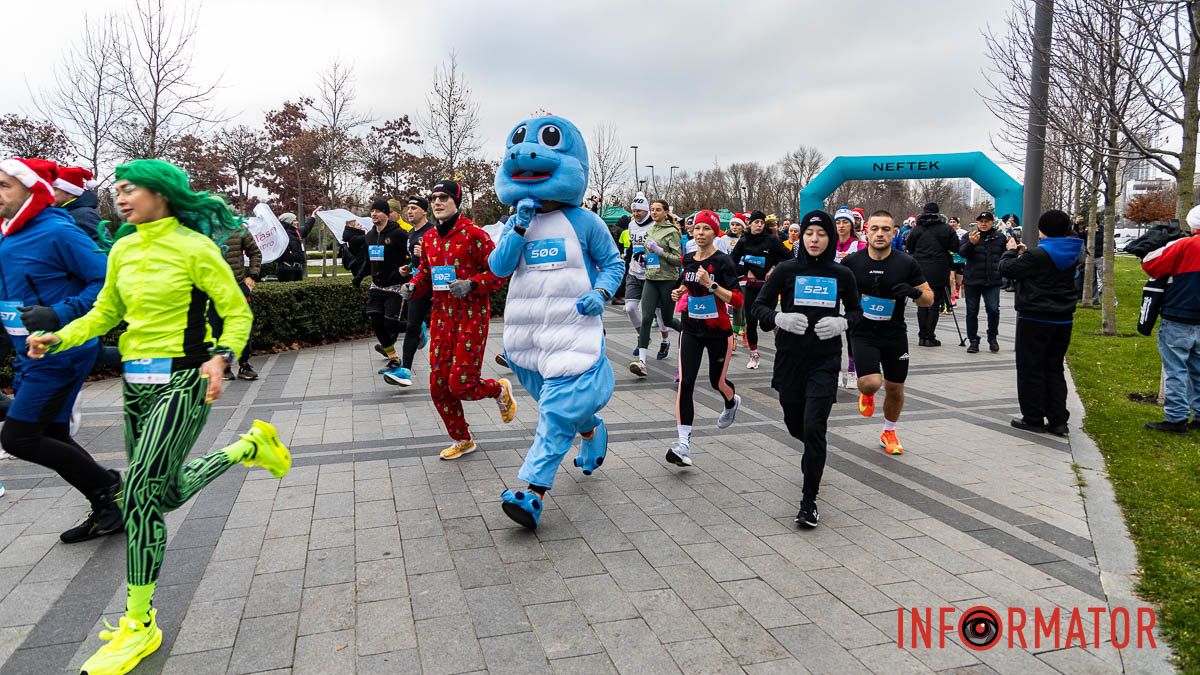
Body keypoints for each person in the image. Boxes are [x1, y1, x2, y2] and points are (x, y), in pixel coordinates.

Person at [26, 159, 292, 675]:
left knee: (142, 499)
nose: (121, 198)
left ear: (162, 193)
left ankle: (139, 624)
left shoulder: (195, 249)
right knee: (163, 493)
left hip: (184, 381)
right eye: (118, 190)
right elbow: (106, 312)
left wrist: (221, 356)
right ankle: (247, 448)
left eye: (132, 189)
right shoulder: (123, 248)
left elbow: (237, 311)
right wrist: (62, 336)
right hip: (135, 386)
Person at [487, 115, 625, 528]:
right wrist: (518, 227)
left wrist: (600, 293)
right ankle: (591, 429)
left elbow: (613, 264)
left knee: (555, 413)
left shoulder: (586, 222)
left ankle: (532, 492)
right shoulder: (516, 222)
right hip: (527, 339)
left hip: (573, 332)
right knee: (560, 409)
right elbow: (498, 268)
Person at [0, 157, 121, 544]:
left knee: (18, 437)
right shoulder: (5, 233)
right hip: (28, 351)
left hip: (61, 349)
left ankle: (107, 488)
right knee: (51, 432)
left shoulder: (58, 231)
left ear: (32, 189)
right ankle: (108, 506)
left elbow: (105, 282)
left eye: (4, 185)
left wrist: (58, 313)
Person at [752, 210, 861, 529]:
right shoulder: (787, 269)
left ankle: (808, 501)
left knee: (815, 427)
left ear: (830, 238)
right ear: (802, 236)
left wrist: (842, 322)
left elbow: (857, 312)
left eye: (822, 234)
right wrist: (778, 319)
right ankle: (815, 450)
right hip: (790, 358)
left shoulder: (842, 275)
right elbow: (759, 306)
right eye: (810, 233)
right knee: (794, 422)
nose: (815, 239)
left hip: (825, 359)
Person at [401, 180, 515, 459]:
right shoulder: (428, 239)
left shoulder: (475, 235)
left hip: (471, 318)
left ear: (456, 202)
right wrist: (414, 285)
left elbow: (500, 273)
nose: (437, 202)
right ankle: (463, 439)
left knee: (461, 383)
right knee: (438, 386)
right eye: (434, 198)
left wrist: (472, 284)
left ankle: (498, 389)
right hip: (441, 318)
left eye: (443, 197)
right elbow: (426, 274)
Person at [843, 210, 934, 455]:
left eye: (886, 229)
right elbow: (835, 294)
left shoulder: (906, 263)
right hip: (862, 332)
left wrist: (914, 293)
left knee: (895, 388)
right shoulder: (851, 263)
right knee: (871, 383)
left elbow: (929, 299)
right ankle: (868, 393)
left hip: (894, 333)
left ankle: (889, 430)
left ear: (894, 232)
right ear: (866, 231)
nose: (880, 234)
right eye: (875, 229)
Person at [666, 210, 742, 466]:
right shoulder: (687, 259)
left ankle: (731, 402)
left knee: (715, 382)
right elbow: (686, 283)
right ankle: (683, 444)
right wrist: (679, 292)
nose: (700, 233)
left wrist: (711, 285)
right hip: (691, 329)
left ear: (714, 232)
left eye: (706, 229)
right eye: (697, 228)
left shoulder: (723, 262)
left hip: (718, 331)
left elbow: (738, 300)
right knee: (685, 383)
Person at [998, 209, 1084, 436]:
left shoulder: (1037, 256)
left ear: (1043, 229)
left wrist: (1010, 252)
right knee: (1054, 367)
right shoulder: (1073, 251)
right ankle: (1058, 420)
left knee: (1030, 368)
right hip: (1063, 318)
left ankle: (1033, 417)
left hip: (1035, 317)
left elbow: (1007, 269)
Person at [1140, 205, 1200, 433]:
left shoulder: (1183, 245)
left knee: (1176, 369)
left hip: (1179, 314)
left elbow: (1151, 266)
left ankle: (1176, 418)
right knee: (1198, 369)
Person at [355, 199, 410, 376]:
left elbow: (412, 255)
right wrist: (358, 277)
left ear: (386, 213)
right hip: (377, 286)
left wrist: (405, 270)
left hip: (395, 286)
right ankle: (394, 358)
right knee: (374, 318)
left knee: (390, 323)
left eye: (378, 211)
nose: (374, 214)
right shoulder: (370, 236)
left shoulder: (398, 234)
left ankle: (416, 329)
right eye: (372, 211)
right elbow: (367, 260)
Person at [730, 209, 791, 369]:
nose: (759, 225)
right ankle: (754, 355)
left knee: (765, 323)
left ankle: (776, 326)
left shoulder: (772, 240)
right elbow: (731, 263)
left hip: (768, 287)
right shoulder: (744, 241)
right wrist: (745, 271)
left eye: (762, 223)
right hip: (751, 286)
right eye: (756, 222)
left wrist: (774, 269)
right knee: (750, 321)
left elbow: (789, 258)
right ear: (750, 224)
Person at [630, 199, 683, 377]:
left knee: (667, 320)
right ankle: (642, 362)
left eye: (658, 210)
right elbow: (649, 255)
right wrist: (644, 260)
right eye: (652, 209)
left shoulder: (672, 231)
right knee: (646, 318)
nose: (654, 212)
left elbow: (677, 259)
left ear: (666, 212)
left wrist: (660, 251)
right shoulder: (650, 230)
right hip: (651, 278)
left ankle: (688, 331)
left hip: (667, 279)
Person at [384, 196, 433, 387]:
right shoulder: (411, 233)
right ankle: (405, 371)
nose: (410, 211)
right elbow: (415, 260)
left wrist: (426, 255)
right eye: (408, 208)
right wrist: (408, 266)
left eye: (414, 208)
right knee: (412, 326)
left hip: (438, 287)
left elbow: (444, 258)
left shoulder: (433, 231)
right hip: (418, 285)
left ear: (424, 212)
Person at [622, 193, 671, 361]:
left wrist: (649, 258)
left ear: (647, 212)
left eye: (640, 211)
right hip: (634, 273)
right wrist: (629, 259)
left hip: (652, 275)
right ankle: (643, 337)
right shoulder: (630, 225)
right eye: (634, 211)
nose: (636, 214)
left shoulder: (656, 226)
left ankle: (665, 340)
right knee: (629, 308)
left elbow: (663, 250)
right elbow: (632, 247)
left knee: (658, 312)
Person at [211, 222, 262, 380]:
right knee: (216, 328)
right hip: (213, 288)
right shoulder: (202, 230)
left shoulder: (238, 228)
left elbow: (255, 252)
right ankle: (224, 366)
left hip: (237, 286)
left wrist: (252, 275)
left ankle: (244, 364)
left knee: (243, 326)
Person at [906, 202, 959, 347]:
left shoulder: (917, 229)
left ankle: (922, 336)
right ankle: (930, 336)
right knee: (934, 304)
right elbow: (955, 247)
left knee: (922, 304)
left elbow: (909, 247)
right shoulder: (946, 228)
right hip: (939, 269)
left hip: (919, 269)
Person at [960, 211, 1007, 353]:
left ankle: (992, 337)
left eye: (987, 221)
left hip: (992, 281)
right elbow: (962, 253)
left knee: (993, 310)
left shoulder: (1000, 238)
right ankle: (973, 340)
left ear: (992, 223)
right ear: (977, 223)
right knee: (971, 311)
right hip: (972, 281)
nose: (983, 223)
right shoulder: (969, 236)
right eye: (981, 221)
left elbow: (1005, 256)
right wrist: (971, 244)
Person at [833, 207, 867, 387]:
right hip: (831, 294)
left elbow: (865, 267)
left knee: (851, 332)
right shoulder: (829, 244)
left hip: (852, 293)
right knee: (834, 332)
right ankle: (837, 370)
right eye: (838, 222)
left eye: (845, 222)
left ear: (852, 225)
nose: (841, 225)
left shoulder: (859, 245)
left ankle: (852, 371)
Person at [51, 165, 102, 242]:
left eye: (55, 190)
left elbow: (105, 246)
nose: (51, 193)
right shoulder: (61, 213)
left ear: (71, 193)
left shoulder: (84, 214)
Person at [276, 211, 315, 281]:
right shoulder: (281, 235)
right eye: (294, 220)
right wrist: (296, 255)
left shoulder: (296, 232)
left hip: (297, 269)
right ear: (288, 222)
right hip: (286, 270)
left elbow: (306, 228)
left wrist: (312, 217)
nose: (297, 222)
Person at [947, 216, 967, 309]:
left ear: (958, 223)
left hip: (960, 259)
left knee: (959, 280)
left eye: (954, 221)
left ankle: (957, 290)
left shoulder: (963, 233)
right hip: (950, 259)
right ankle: (953, 298)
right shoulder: (946, 232)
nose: (952, 223)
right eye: (950, 221)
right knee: (951, 280)